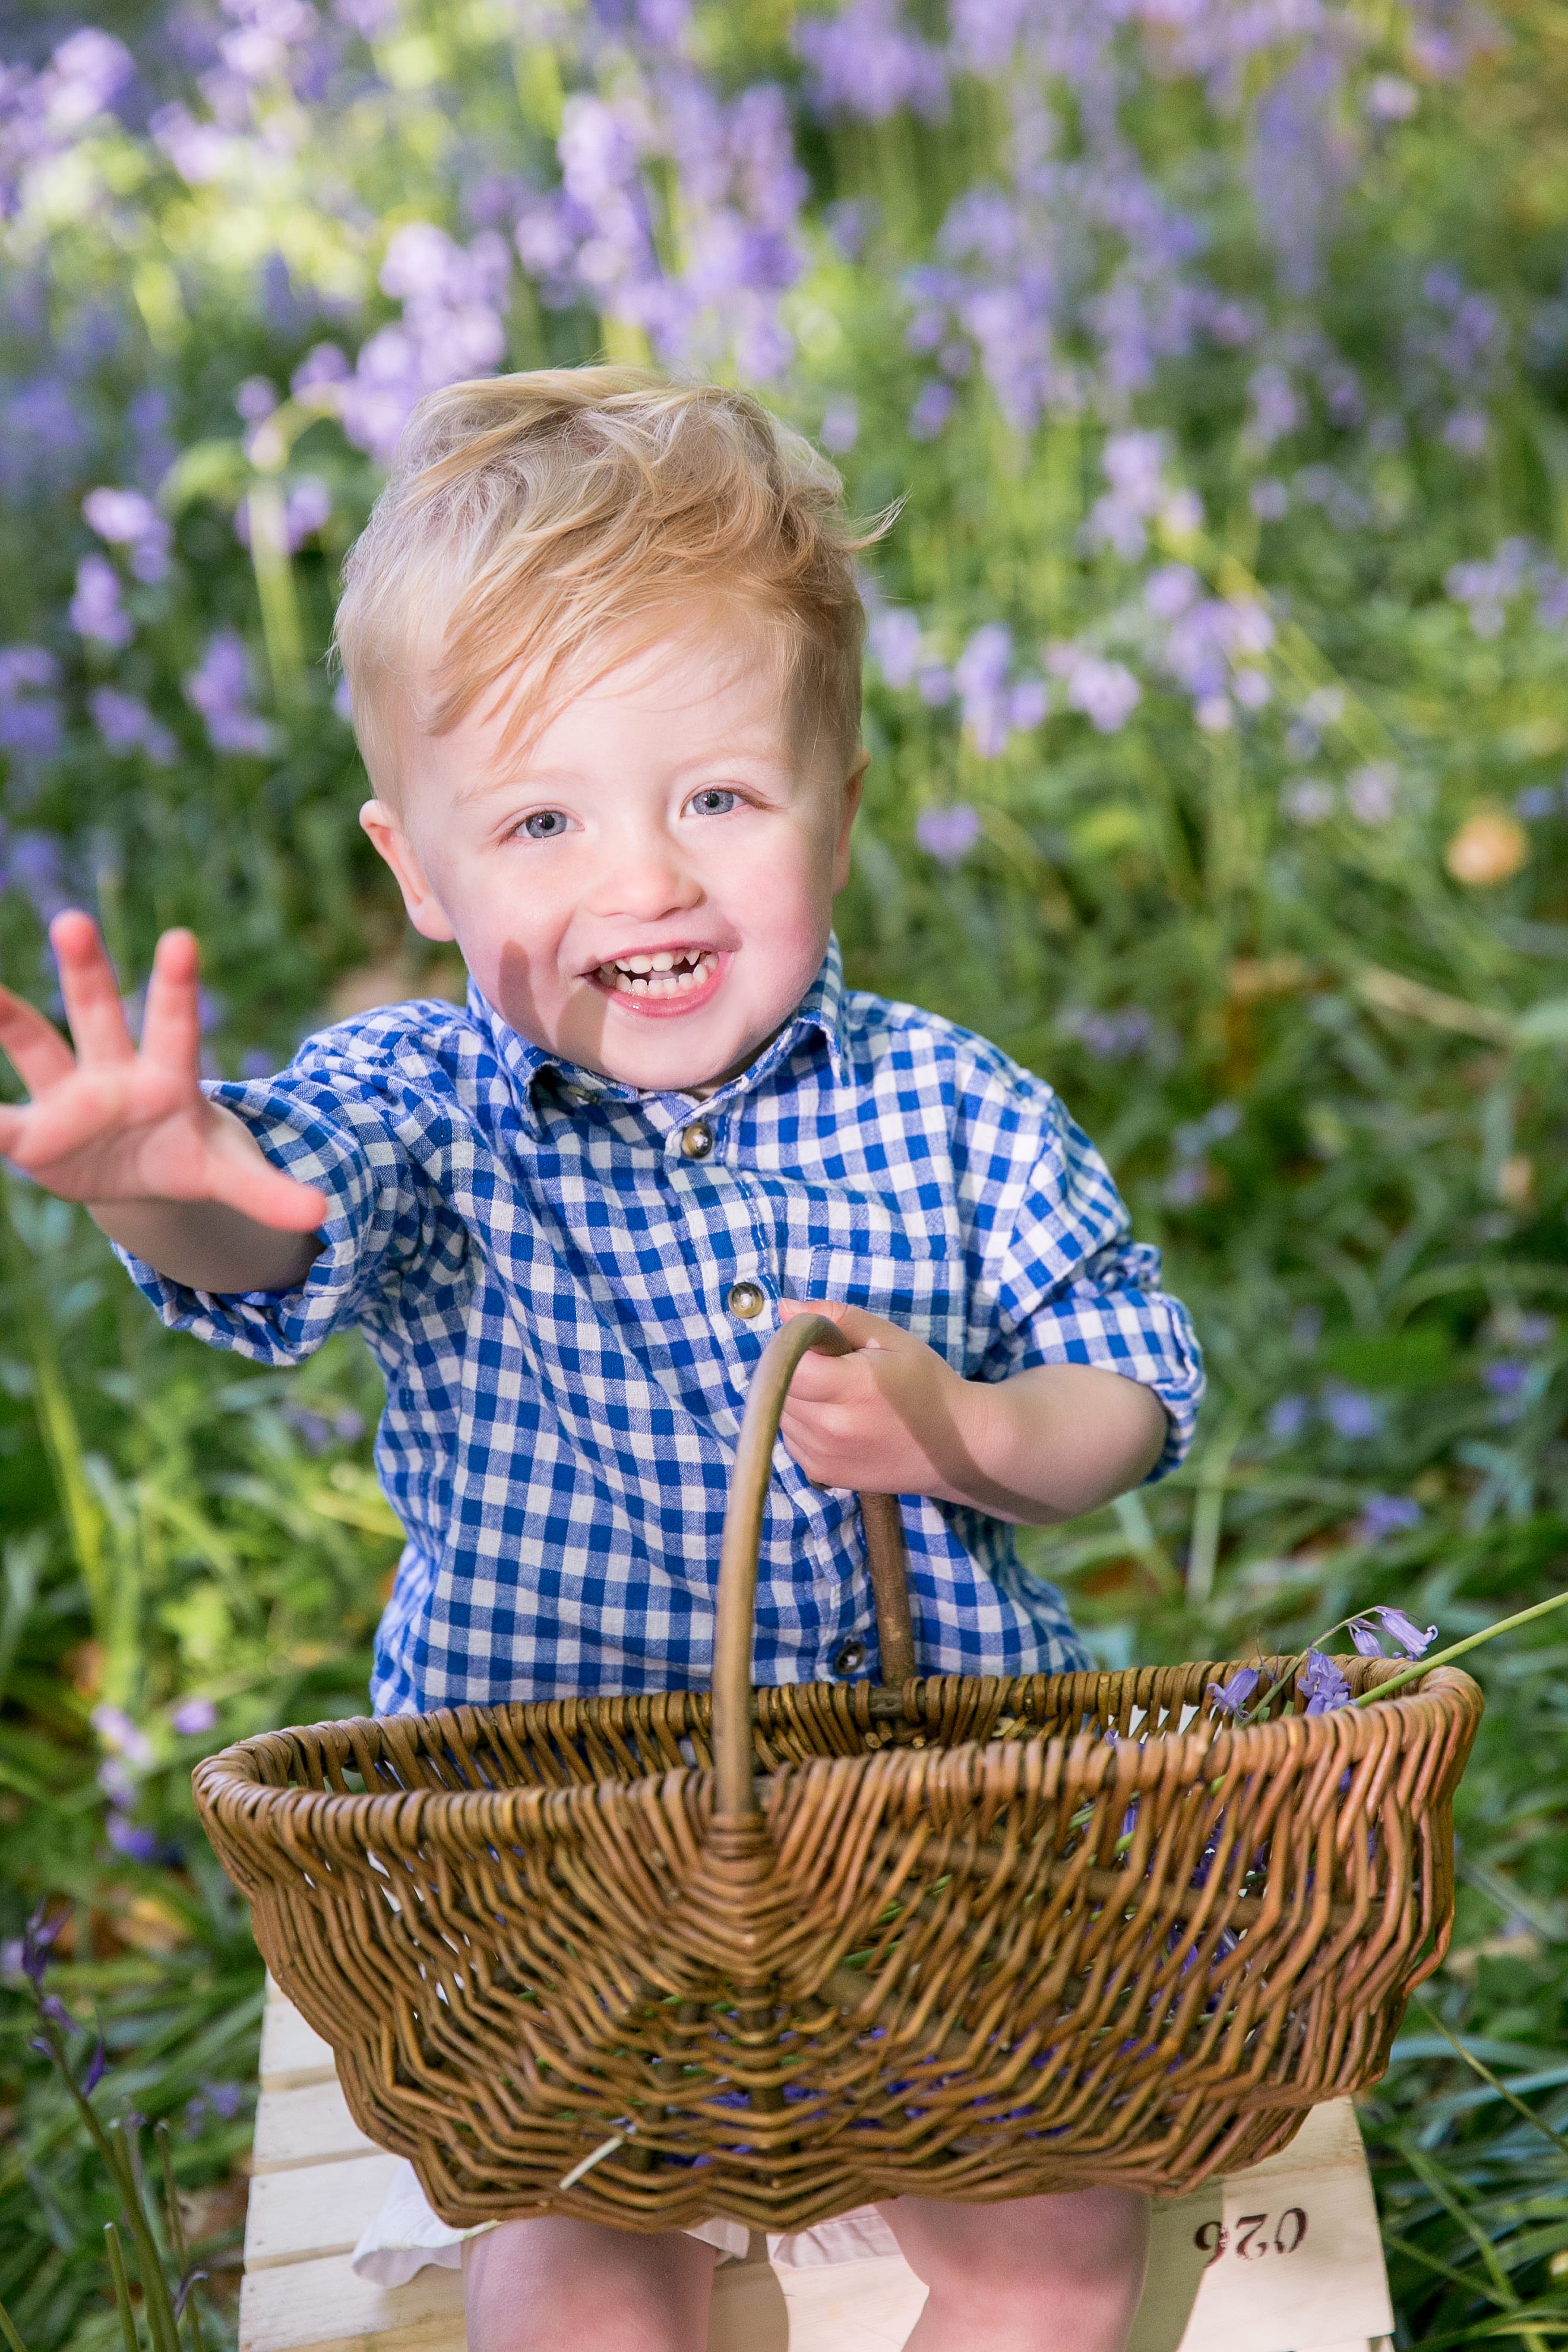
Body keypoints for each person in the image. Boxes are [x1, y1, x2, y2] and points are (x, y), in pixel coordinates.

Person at [0, 368, 1202, 2351]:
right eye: (543, 820)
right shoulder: (428, 1102)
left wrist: (972, 1433)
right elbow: (270, 1226)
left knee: (1061, 2242)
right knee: (575, 2280)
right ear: (420, 871)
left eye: (719, 797)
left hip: (939, 1844)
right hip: (558, 1878)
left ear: (842, 803)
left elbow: (1130, 1393)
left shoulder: (958, 1108)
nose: (643, 883)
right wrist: (160, 1189)